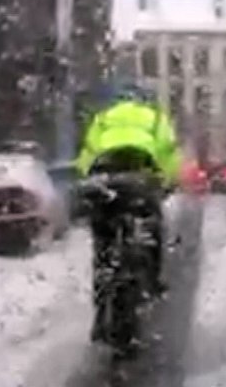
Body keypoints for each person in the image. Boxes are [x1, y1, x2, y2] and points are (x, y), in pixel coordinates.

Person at [75, 82, 182, 338]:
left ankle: (101, 312)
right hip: (139, 178)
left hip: (105, 179)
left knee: (103, 246)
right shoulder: (155, 119)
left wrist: (91, 182)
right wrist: (166, 183)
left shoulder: (102, 119)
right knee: (152, 227)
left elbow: (86, 157)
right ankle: (153, 281)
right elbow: (168, 154)